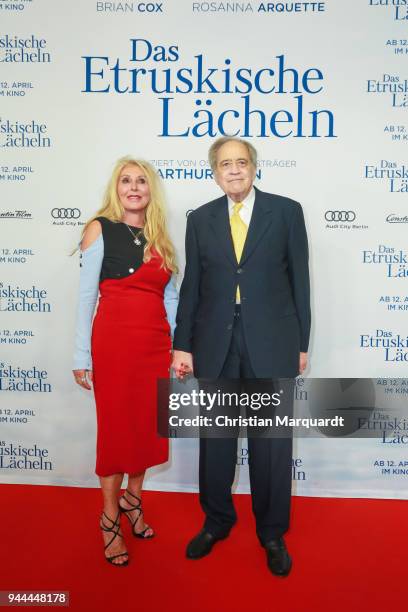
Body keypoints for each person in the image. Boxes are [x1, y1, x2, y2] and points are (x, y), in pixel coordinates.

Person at [172, 136, 310, 576]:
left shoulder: (287, 212)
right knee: (216, 442)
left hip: (272, 341)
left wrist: (302, 344)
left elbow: (300, 283)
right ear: (214, 172)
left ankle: (271, 532)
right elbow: (192, 285)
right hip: (214, 342)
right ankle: (216, 521)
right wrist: (183, 343)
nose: (234, 170)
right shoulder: (201, 219)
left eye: (242, 162)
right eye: (226, 164)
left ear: (254, 168)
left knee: (270, 446)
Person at [73, 157, 178, 567]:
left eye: (141, 181)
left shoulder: (160, 238)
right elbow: (85, 299)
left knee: (146, 429)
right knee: (117, 433)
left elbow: (170, 298)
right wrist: (82, 355)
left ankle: (134, 500)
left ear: (151, 190)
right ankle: (109, 518)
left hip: (154, 347)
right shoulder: (99, 229)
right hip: (114, 346)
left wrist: (175, 348)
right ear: (115, 188)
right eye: (125, 181)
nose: (133, 187)